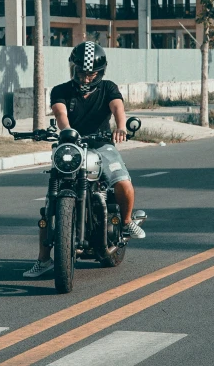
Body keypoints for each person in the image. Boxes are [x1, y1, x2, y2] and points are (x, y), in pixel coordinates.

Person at [23, 41, 145, 278]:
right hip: (71, 145)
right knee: (50, 202)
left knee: (123, 183)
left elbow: (118, 107)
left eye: (91, 74)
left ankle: (128, 221)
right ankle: (43, 259)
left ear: (100, 73)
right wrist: (68, 132)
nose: (86, 78)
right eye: (81, 72)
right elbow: (60, 113)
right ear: (73, 69)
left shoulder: (108, 88)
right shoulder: (60, 90)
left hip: (102, 145)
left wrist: (121, 127)